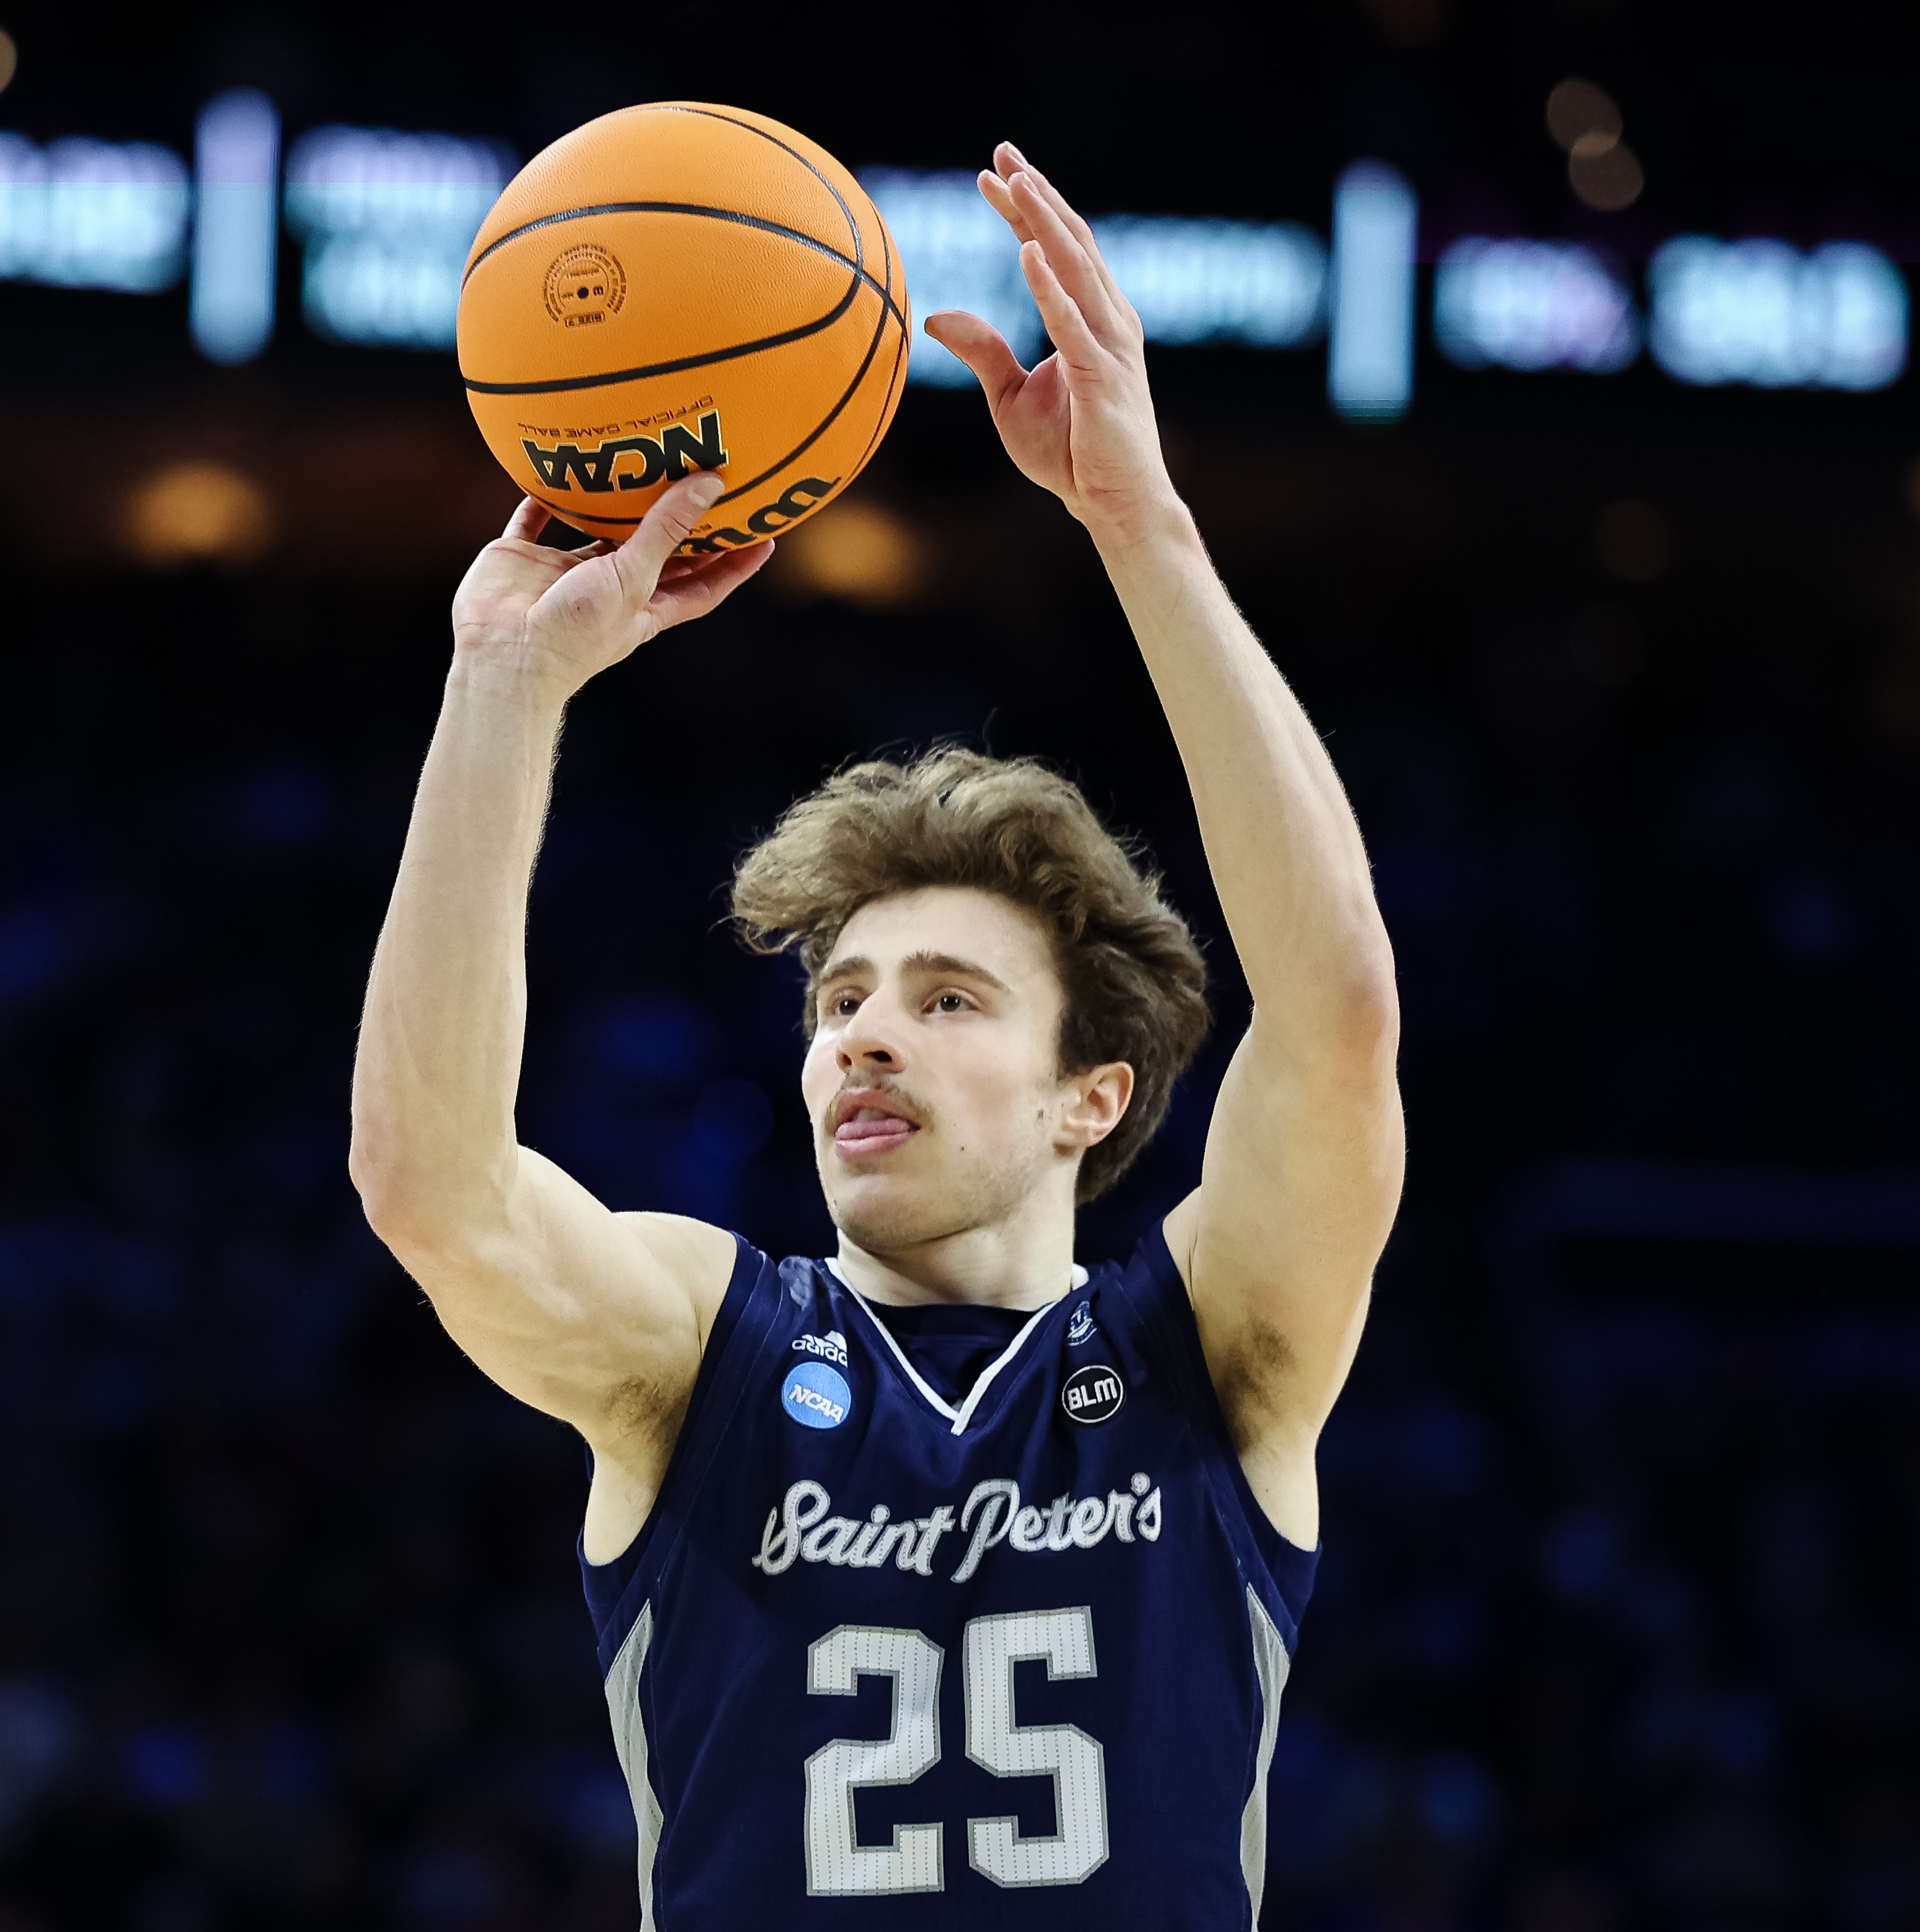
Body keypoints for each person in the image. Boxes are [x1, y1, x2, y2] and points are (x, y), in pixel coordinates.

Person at [348, 143, 1402, 1928]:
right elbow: (429, 1186)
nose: (864, 1040)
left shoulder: (1213, 1360)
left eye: (946, 999)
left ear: (1097, 1096)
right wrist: (506, 688)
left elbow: (1339, 1018)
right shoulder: (706, 1355)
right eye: (840, 1001)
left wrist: (1140, 522)